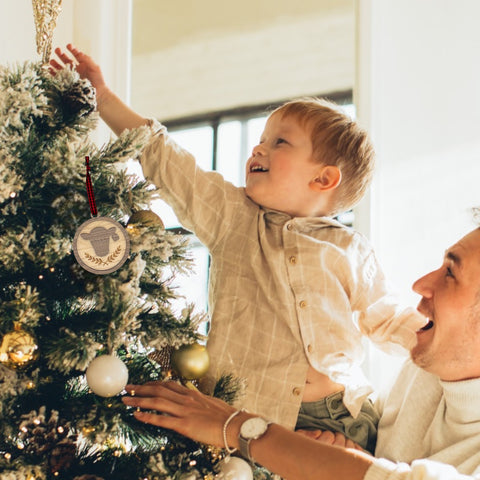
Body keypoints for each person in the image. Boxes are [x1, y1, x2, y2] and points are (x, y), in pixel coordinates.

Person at [50, 45, 426, 453]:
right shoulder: (234, 218)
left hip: (338, 416)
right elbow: (168, 160)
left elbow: (387, 319)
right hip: (245, 412)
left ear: (323, 179)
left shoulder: (349, 248)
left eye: (279, 142)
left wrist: (443, 341)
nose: (257, 149)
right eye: (261, 139)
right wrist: (102, 96)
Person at [122, 225, 480, 479]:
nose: (421, 285)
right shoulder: (427, 368)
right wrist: (350, 454)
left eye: (450, 273)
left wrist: (234, 426)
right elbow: (381, 463)